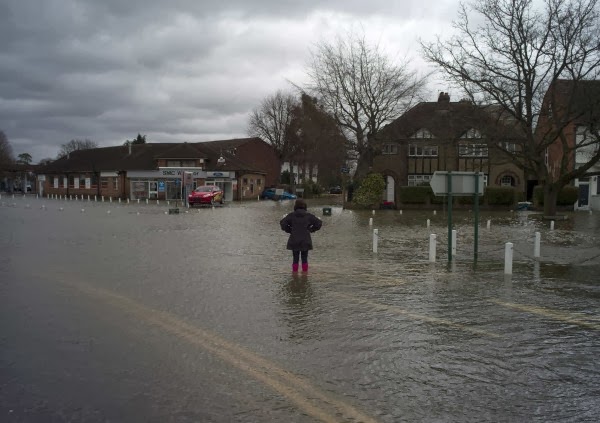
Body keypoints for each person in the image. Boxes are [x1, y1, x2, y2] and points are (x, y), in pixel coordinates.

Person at [280, 199, 322, 272]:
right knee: (304, 258)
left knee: (295, 258)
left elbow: (282, 223)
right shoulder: (309, 216)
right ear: (305, 206)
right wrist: (310, 230)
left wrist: (290, 230)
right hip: (305, 240)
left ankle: (294, 274)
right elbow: (319, 223)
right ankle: (305, 275)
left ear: (295, 206)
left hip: (294, 240)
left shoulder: (291, 215)